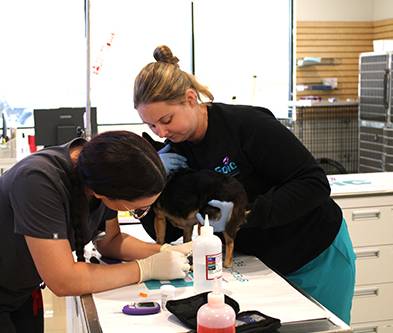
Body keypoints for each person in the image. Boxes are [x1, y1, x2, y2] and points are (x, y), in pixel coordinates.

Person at [133, 45, 356, 324]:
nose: (162, 132)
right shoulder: (178, 151)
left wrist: (244, 215)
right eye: (151, 126)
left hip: (313, 254)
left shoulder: (246, 126)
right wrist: (150, 184)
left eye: (166, 120)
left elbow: (313, 183)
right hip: (257, 263)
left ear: (190, 99)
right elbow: (167, 235)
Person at [0, 130, 191, 332]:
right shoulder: (38, 181)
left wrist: (166, 251)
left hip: (20, 292)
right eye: (138, 210)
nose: (141, 213)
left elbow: (111, 240)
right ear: (105, 193)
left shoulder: (102, 171)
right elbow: (63, 278)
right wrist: (145, 269)